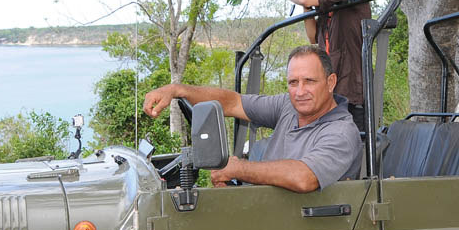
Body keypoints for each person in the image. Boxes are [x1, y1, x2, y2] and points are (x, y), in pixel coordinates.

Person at [143, 45, 361, 192]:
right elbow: (233, 102)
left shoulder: (341, 132)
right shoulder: (288, 105)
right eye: (293, 82)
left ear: (331, 82)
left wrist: (238, 168)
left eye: (310, 81)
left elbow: (305, 177)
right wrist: (177, 90)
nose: (300, 91)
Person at [282, 0, 372, 134]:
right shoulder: (326, 5)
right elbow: (313, 36)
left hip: (351, 95)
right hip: (330, 93)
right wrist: (306, 7)